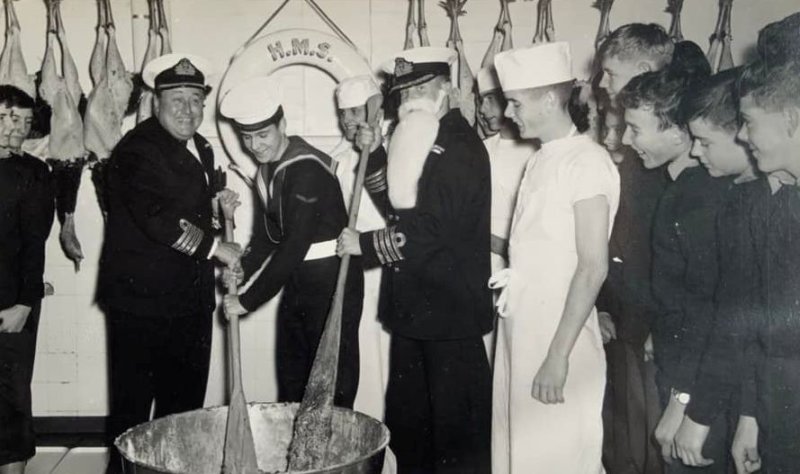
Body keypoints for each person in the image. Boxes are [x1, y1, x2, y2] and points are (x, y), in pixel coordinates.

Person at [337, 46, 493, 473]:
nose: (410, 102)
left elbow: (431, 229)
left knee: (456, 441)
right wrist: (375, 156)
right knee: (412, 432)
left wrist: (365, 246)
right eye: (404, 93)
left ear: (445, 90)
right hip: (414, 313)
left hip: (449, 318)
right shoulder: (423, 136)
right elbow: (397, 203)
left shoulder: (459, 146)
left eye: (421, 89)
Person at [98, 53, 241, 474]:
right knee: (134, 416)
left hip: (190, 303)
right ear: (154, 102)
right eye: (176, 98)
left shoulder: (201, 147)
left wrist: (220, 207)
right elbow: (158, 217)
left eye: (196, 99)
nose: (188, 109)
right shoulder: (137, 150)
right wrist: (215, 247)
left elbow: (199, 205)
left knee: (183, 411)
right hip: (141, 304)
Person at [490, 42, 620, 473]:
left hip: (557, 340)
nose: (508, 113)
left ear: (549, 99)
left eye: (514, 103)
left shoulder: (587, 161)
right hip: (523, 331)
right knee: (520, 453)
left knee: (559, 454)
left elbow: (592, 265)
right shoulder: (542, 158)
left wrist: (558, 355)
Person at [618, 63, 735, 474]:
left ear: (676, 131)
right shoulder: (681, 187)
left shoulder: (698, 197)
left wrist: (681, 402)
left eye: (634, 128)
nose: (624, 139)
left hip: (697, 393)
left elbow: (710, 312)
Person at [220, 76, 364, 409]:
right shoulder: (266, 172)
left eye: (263, 135)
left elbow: (293, 245)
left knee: (330, 383)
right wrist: (244, 267)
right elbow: (268, 236)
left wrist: (247, 300)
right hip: (298, 278)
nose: (255, 146)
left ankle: (337, 457)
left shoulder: (306, 170)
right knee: (292, 378)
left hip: (333, 280)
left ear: (282, 124)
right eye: (247, 138)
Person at [671, 68, 768, 472]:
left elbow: (736, 326)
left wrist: (697, 413)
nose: (694, 152)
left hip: (740, 397)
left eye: (704, 141)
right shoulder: (733, 197)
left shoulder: (755, 207)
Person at [595, 23, 675, 474]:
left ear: (643, 70)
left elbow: (660, 256)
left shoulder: (658, 157)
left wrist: (649, 326)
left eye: (610, 72)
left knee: (652, 442)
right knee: (626, 436)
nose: (603, 83)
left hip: (652, 328)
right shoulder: (633, 150)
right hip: (625, 318)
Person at [734, 58, 800, 474]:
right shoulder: (782, 206)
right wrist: (752, 415)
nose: (741, 134)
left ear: (791, 117)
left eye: (748, 121)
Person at [475, 64, 534, 474]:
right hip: (479, 273)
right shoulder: (481, 148)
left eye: (495, 100)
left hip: (520, 276)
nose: (485, 109)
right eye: (481, 100)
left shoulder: (533, 151)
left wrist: (495, 244)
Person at [328, 75, 389, 419]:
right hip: (353, 270)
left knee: (387, 358)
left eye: (355, 111)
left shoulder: (392, 148)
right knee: (360, 357)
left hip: (387, 263)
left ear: (375, 112)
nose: (348, 121)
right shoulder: (335, 159)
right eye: (343, 114)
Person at [0, 85, 54, 474]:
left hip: (11, 305)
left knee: (11, 399)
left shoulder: (34, 173)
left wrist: (24, 303)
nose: (13, 128)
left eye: (22, 120)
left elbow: (36, 243)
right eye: (4, 118)